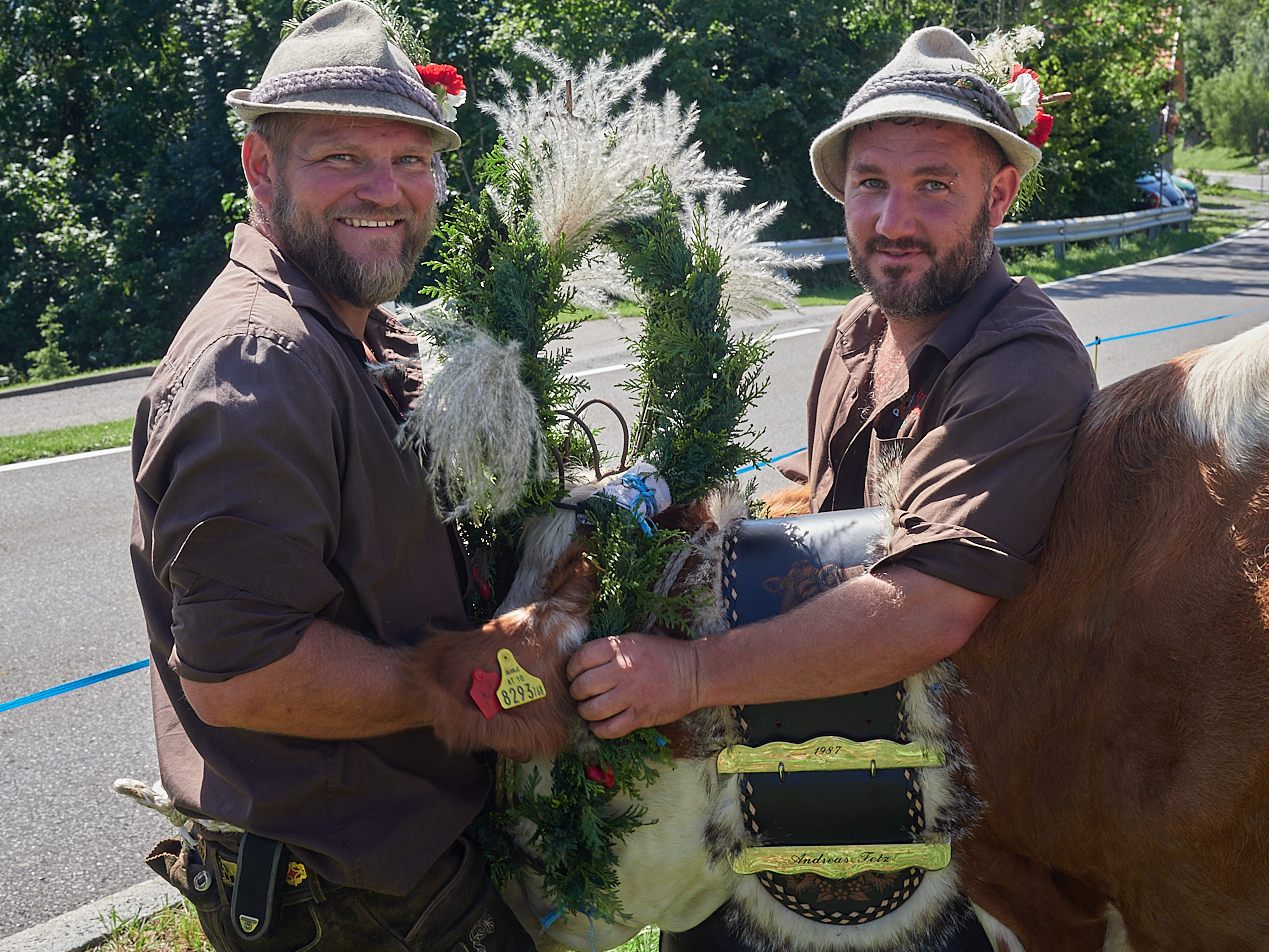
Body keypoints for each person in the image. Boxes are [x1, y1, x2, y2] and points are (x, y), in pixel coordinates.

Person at [566, 26, 1097, 951]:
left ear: (999, 194)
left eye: (933, 183)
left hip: (953, 844)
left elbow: (927, 608)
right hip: (817, 786)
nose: (892, 218)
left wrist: (684, 676)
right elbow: (817, 510)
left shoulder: (1020, 360)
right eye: (869, 183)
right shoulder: (858, 328)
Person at [129, 3, 536, 949]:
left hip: (395, 871)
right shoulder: (259, 360)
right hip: (352, 900)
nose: (386, 188)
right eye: (342, 157)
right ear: (261, 168)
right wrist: (471, 689)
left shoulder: (357, 332)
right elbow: (246, 675)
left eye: (411, 159)